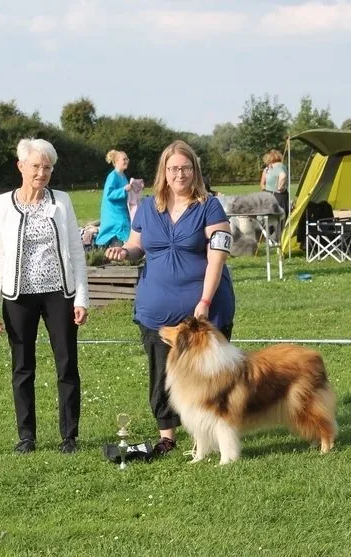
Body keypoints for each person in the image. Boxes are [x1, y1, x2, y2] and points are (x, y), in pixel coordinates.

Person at [105, 140, 235, 455]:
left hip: (203, 312)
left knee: (209, 376)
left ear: (195, 170)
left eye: (186, 168)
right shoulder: (148, 207)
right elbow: (137, 245)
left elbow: (218, 256)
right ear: (164, 171)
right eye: (174, 168)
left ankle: (207, 436)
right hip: (156, 311)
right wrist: (124, 252)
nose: (180, 174)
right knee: (162, 376)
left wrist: (204, 301)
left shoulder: (210, 206)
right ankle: (167, 437)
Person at [0, 138, 89, 455]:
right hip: (18, 296)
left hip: (59, 293)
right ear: (21, 167)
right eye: (36, 167)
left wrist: (81, 298)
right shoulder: (1, 205)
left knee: (67, 364)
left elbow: (76, 252)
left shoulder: (62, 201)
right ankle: (26, 436)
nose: (41, 173)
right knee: (22, 367)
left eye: (47, 167)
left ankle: (69, 436)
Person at [95, 150, 131, 247]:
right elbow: (109, 194)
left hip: (122, 211)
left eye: (127, 159)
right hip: (114, 214)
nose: (127, 161)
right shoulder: (113, 176)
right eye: (124, 159)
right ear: (116, 161)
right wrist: (124, 190)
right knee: (119, 232)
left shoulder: (123, 176)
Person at [262, 149, 290, 222]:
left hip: (277, 196)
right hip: (272, 195)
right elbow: (263, 183)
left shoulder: (278, 166)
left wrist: (280, 187)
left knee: (277, 220)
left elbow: (283, 176)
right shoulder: (273, 167)